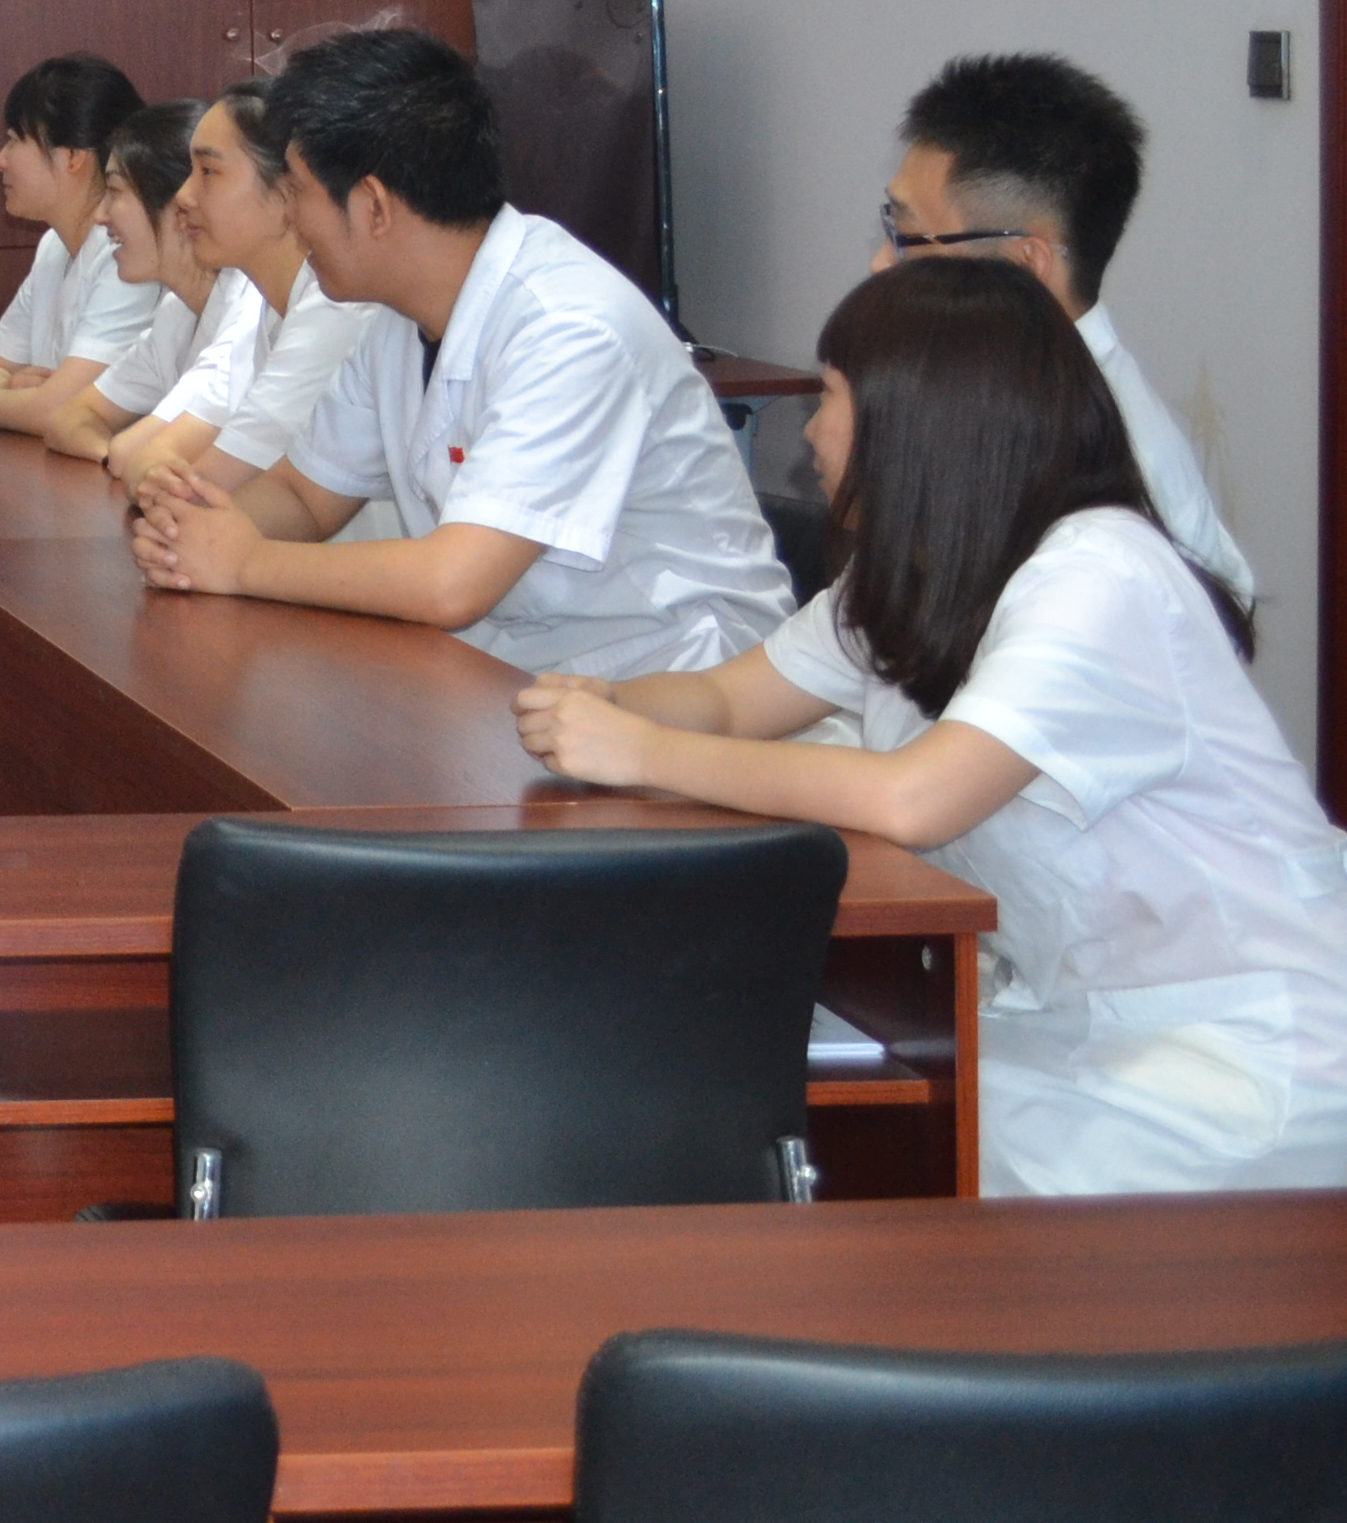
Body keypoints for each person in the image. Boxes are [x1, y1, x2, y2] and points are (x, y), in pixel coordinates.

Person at [515, 257, 1347, 1196]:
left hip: (1245, 1057)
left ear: (918, 417)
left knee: (890, 1166)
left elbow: (914, 800)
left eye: (833, 396)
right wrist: (606, 702)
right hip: (1088, 1024)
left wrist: (644, 752)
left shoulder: (1100, 577)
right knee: (808, 1122)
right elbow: (731, 701)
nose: (811, 429)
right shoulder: (917, 570)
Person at [130, 24, 790, 677]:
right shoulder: (397, 318)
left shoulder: (568, 328)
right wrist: (190, 533)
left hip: (680, 679)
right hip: (530, 668)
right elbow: (303, 496)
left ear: (373, 206)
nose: (291, 219)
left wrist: (244, 561)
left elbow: (452, 583)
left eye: (298, 193)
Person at [877, 51, 1253, 608]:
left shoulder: (1108, 475)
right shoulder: (990, 400)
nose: (882, 265)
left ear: (1026, 263)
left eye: (909, 238)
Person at [113, 81, 385, 497]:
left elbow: (196, 490)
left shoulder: (333, 310)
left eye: (208, 172)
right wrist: (154, 478)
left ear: (285, 190)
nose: (182, 196)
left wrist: (157, 481)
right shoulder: (262, 307)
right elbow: (144, 460)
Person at [0, 54, 155, 437]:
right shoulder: (54, 245)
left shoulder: (128, 255)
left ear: (72, 157)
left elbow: (61, 413)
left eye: (14, 140)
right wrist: (14, 387)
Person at [38, 101, 212, 464]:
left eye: (115, 192)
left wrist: (127, 456)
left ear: (179, 205)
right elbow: (66, 419)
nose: (101, 215)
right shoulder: (176, 312)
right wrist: (114, 456)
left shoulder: (243, 317)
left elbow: (138, 453)